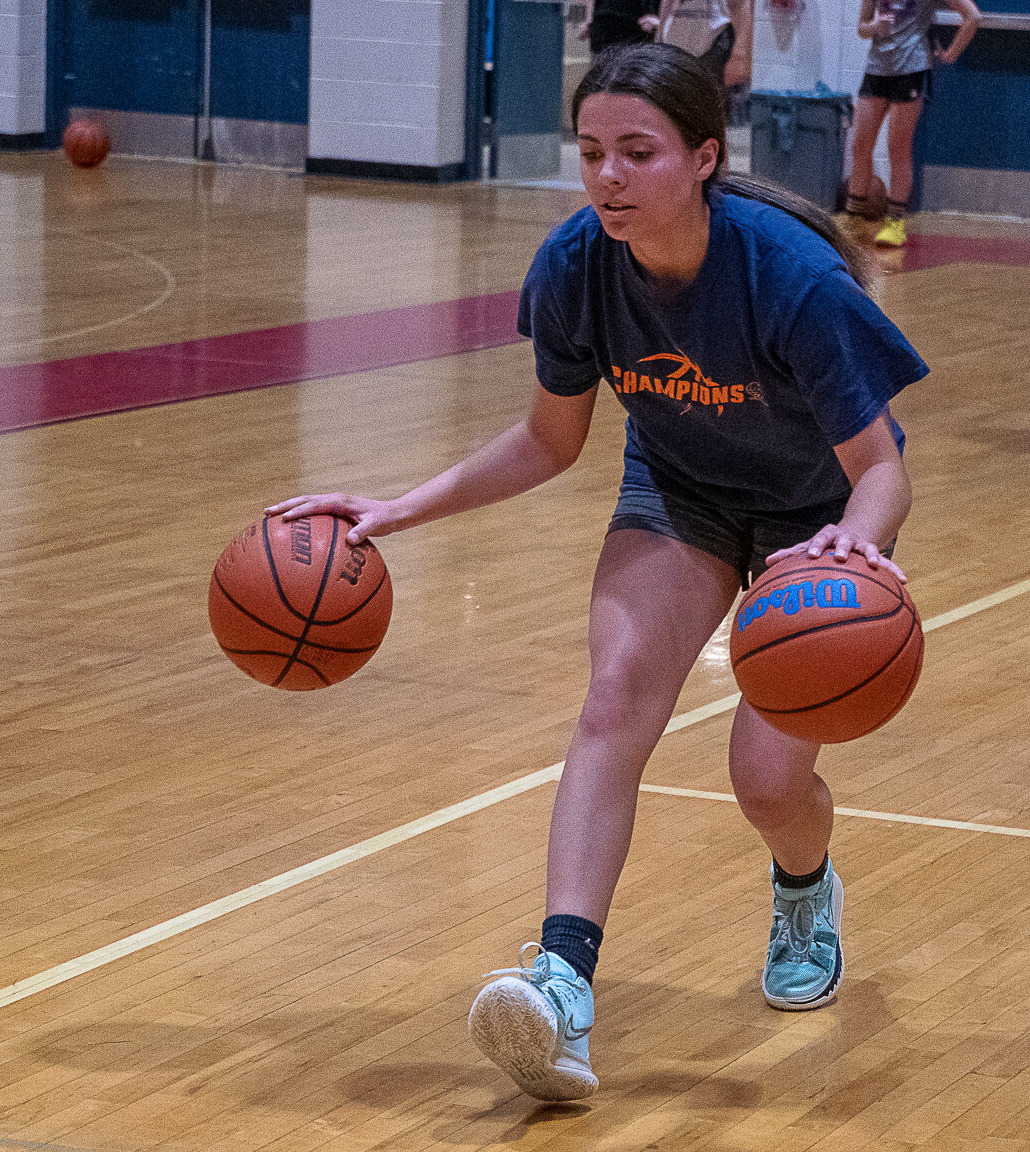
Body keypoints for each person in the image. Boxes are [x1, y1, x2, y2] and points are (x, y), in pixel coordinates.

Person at [268, 43, 928, 1103]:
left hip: (818, 517)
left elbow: (883, 472)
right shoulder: (578, 265)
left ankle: (803, 887)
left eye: (637, 152)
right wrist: (398, 508)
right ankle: (563, 983)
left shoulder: (792, 279)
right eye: (591, 153)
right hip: (683, 489)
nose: (609, 177)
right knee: (614, 698)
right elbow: (547, 441)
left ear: (704, 157)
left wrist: (855, 540)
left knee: (767, 781)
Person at [845, 0, 982, 247]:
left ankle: (895, 223)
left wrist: (951, 54)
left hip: (911, 69)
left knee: (898, 149)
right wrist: (874, 25)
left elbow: (972, 16)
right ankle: (853, 219)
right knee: (860, 145)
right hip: (876, 70)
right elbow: (862, 29)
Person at [656, 0, 753, 94]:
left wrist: (738, 56)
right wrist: (659, 44)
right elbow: (667, 5)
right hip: (677, 40)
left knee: (707, 100)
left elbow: (741, 6)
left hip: (714, 39)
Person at [578, 0, 660, 57]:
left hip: (639, 23)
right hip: (604, 19)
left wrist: (659, 21)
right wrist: (588, 20)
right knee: (601, 71)